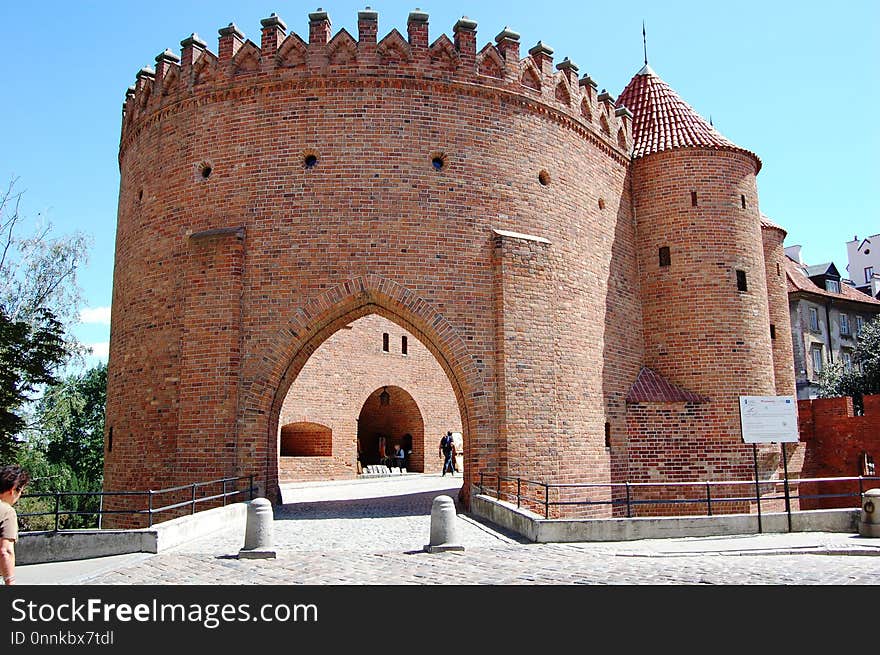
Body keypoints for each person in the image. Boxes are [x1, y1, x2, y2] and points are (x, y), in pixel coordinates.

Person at [0, 465, 29, 586]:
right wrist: (10, 582)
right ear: (12, 490)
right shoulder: (7, 512)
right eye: (20, 492)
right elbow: (5, 551)